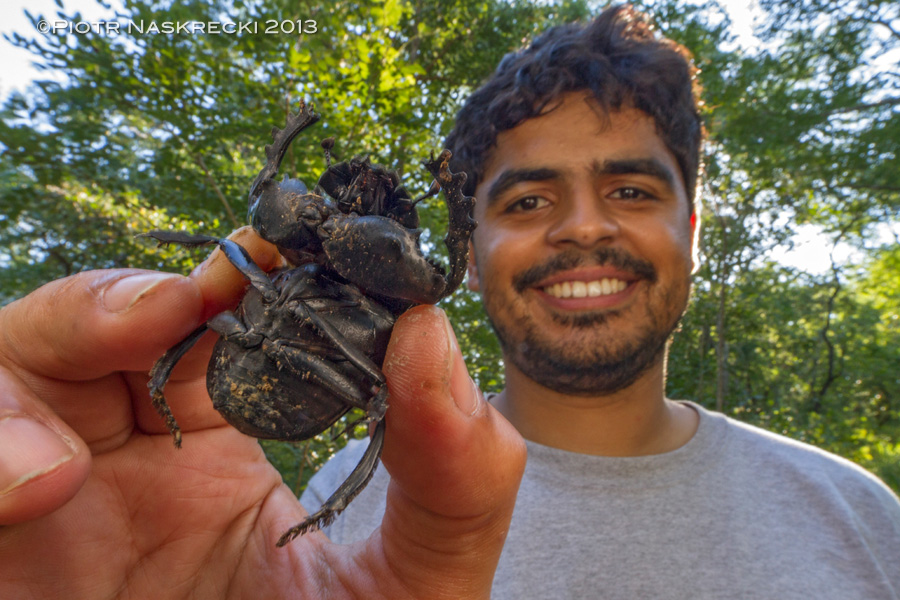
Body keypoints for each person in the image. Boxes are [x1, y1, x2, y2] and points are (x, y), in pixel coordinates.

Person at [302, 5, 900, 599]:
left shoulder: (864, 519)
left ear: (691, 236)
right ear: (470, 260)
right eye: (529, 202)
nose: (585, 227)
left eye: (631, 191)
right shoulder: (348, 504)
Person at [0, 225, 527, 599]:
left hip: (302, 369)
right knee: (221, 266)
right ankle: (161, 381)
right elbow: (235, 247)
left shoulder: (385, 314)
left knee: (383, 402)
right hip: (256, 355)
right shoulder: (305, 494)